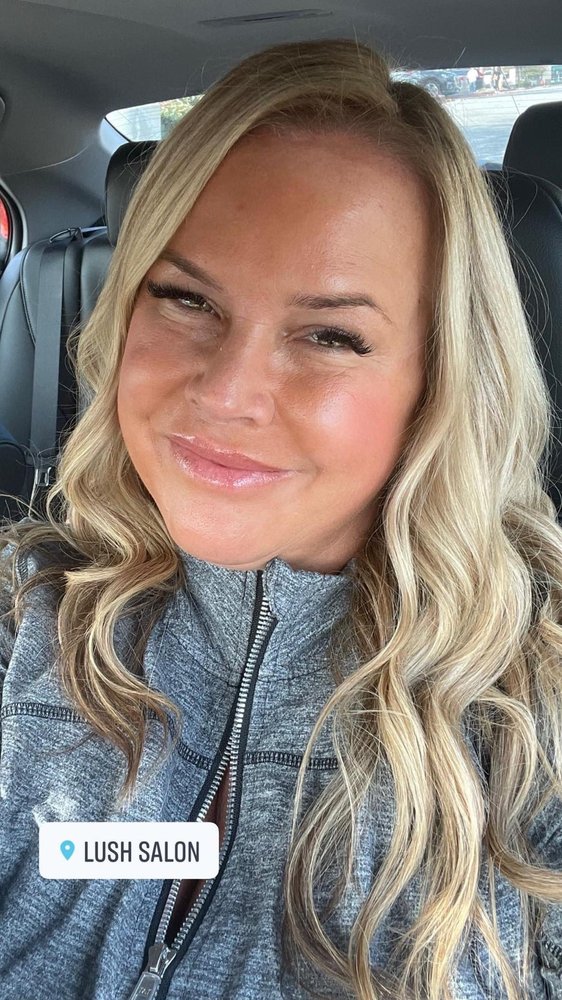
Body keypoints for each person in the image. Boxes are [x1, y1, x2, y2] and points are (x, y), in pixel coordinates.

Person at [0, 37, 561, 1000]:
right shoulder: (26, 609)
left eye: (331, 335)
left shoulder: (533, 696)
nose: (227, 393)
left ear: (438, 379)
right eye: (186, 298)